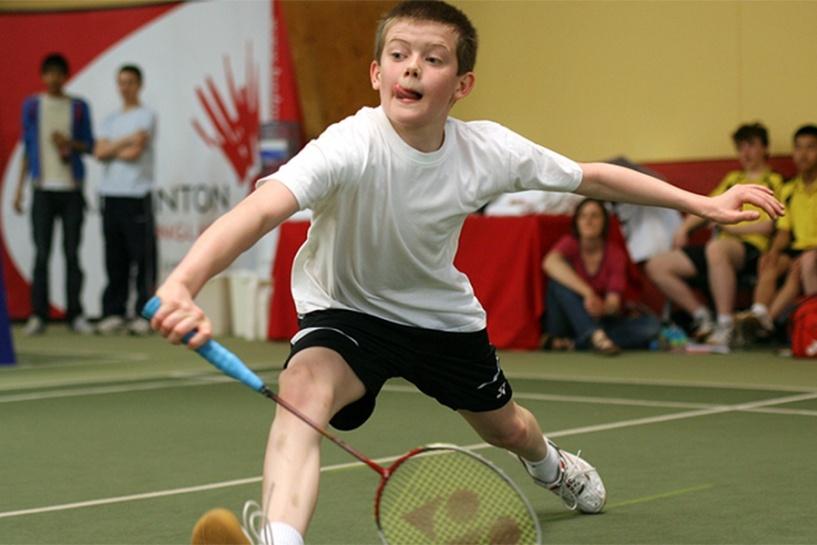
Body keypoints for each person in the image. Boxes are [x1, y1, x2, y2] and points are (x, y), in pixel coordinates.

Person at [148, 3, 782, 543]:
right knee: (299, 398)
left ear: (461, 84)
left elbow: (592, 176)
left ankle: (551, 465)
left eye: (432, 58)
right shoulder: (349, 144)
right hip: (347, 312)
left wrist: (702, 203)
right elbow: (260, 211)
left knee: (509, 428)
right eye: (398, 55)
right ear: (376, 72)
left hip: (439, 319)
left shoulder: (488, 151)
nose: (412, 68)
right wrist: (182, 284)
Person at [645, 123, 785, 347]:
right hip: (720, 248)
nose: (746, 152)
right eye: (741, 147)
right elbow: (707, 207)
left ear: (765, 149)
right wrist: (684, 229)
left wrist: (732, 227)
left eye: (751, 145)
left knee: (716, 249)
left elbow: (771, 226)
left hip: (751, 250)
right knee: (658, 265)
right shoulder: (732, 179)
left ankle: (726, 325)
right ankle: (703, 317)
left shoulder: (776, 182)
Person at [13, 53, 95, 336]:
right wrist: (19, 190)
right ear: (43, 76)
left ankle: (76, 314)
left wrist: (68, 143)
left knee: (72, 254)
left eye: (59, 73)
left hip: (72, 191)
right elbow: (27, 147)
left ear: (66, 76)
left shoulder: (79, 107)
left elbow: (90, 146)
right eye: (49, 73)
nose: (54, 79)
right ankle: (39, 315)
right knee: (41, 254)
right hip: (42, 191)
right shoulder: (33, 106)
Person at [543, 198, 660, 355]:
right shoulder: (569, 244)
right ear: (576, 222)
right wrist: (588, 293)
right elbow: (549, 263)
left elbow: (614, 304)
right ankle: (594, 336)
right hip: (567, 319)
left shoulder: (614, 254)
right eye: (583, 216)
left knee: (651, 326)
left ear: (604, 222)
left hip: (599, 318)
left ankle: (577, 342)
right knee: (557, 282)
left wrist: (603, 308)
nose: (588, 221)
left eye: (594, 216)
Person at [735, 124, 817, 342]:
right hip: (796, 252)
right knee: (770, 261)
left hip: (812, 254)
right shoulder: (789, 189)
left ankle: (801, 325)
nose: (803, 154)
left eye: (810, 148)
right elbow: (783, 230)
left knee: (804, 266)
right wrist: (773, 251)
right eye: (798, 148)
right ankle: (760, 315)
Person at [94, 64, 157, 336]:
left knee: (141, 258)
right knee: (114, 257)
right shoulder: (110, 119)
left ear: (139, 85)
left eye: (130, 82)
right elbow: (99, 152)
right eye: (121, 82)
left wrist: (113, 148)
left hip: (136, 196)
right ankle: (114, 312)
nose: (125, 87)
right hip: (111, 196)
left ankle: (144, 313)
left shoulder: (147, 115)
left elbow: (135, 152)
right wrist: (125, 141)